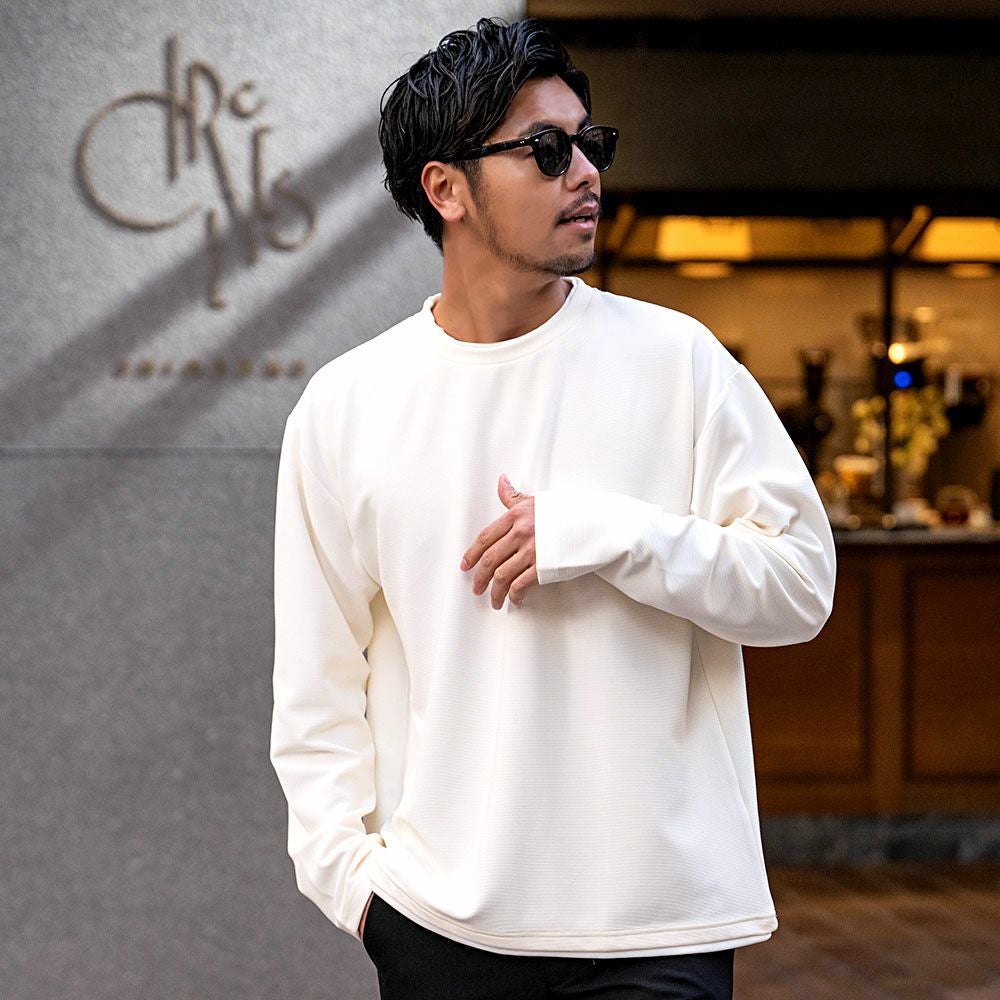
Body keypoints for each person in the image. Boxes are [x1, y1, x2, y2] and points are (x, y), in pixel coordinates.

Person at [269, 16, 836, 1000]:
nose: (585, 172)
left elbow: (798, 588)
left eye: (589, 143)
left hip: (658, 925)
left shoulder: (678, 361)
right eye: (545, 149)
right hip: (442, 924)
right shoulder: (347, 404)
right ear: (446, 188)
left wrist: (605, 535)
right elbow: (318, 683)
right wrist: (356, 889)